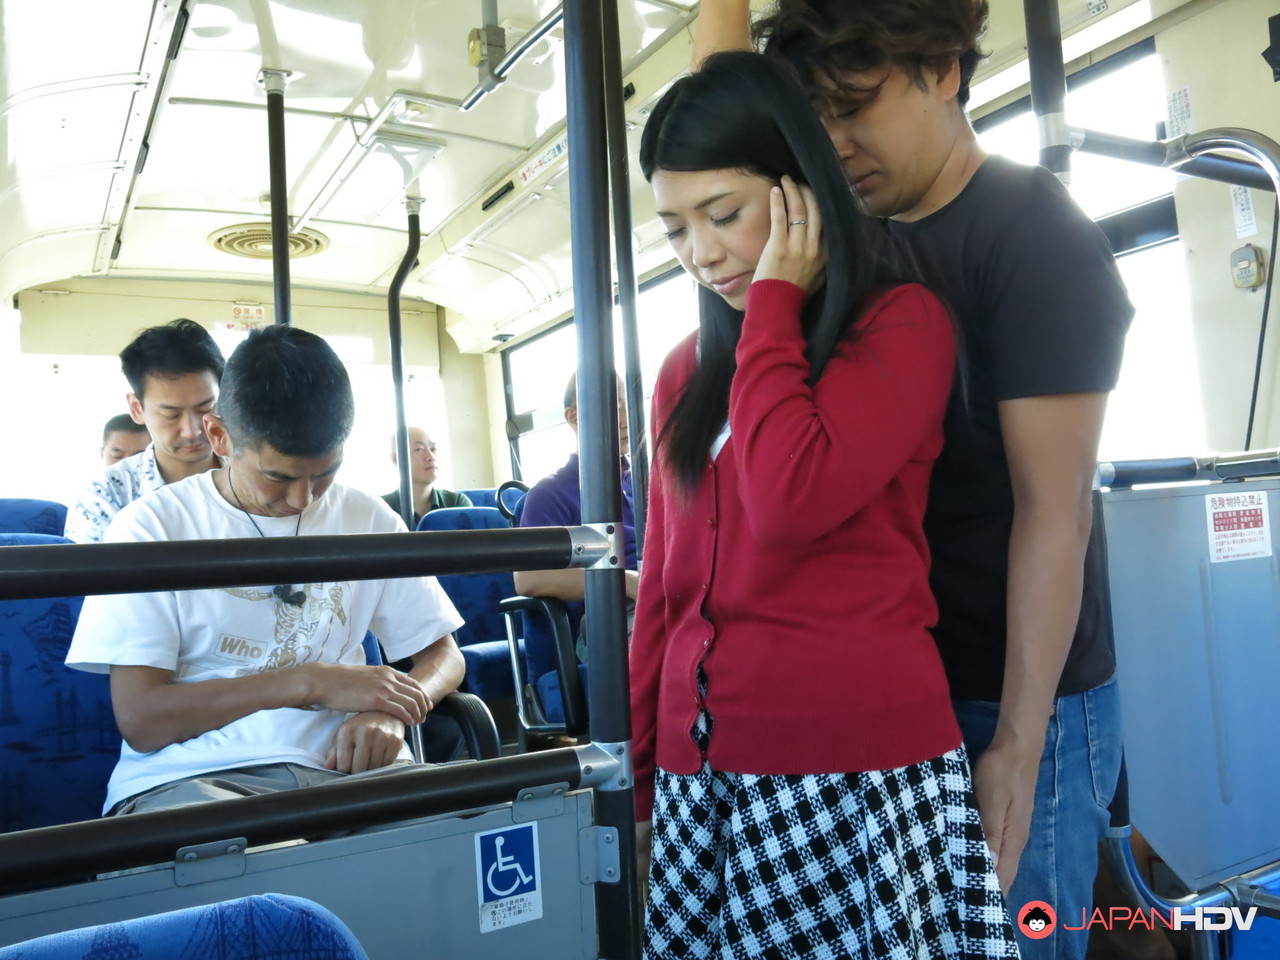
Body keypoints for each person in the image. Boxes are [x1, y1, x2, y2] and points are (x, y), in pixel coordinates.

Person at [695, 3, 1134, 957]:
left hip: (1019, 682)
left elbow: (1053, 518)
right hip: (902, 686)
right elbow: (715, 120)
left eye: (857, 108)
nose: (837, 146)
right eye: (819, 122)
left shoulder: (1036, 241)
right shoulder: (843, 241)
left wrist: (1019, 743)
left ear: (943, 69)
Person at [630, 52, 1016, 958]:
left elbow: (790, 498)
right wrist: (647, 778)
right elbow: (666, 590)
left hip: (855, 774)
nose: (701, 252)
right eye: (676, 230)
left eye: (723, 214)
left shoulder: (901, 326)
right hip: (705, 780)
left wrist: (770, 308)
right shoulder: (684, 374)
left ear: (800, 191)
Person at [65, 325, 465, 816]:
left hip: (353, 770)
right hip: (195, 779)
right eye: (277, 477)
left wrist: (391, 710)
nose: (302, 499)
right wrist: (310, 682)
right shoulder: (149, 527)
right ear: (220, 435)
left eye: (325, 473)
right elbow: (144, 720)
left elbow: (445, 657)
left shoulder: (370, 518)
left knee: (471, 839)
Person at [514, 373, 638, 662]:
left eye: (628, 406)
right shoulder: (551, 493)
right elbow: (529, 578)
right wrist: (627, 581)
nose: (625, 418)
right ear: (574, 418)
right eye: (614, 406)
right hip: (614, 615)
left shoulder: (646, 483)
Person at [66, 319, 225, 543]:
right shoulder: (105, 495)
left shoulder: (255, 477)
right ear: (136, 408)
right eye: (171, 414)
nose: (191, 431)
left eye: (205, 408)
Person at [381, 426, 472, 529]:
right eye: (419, 449)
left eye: (433, 449)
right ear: (396, 459)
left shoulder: (456, 503)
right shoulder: (381, 507)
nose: (430, 457)